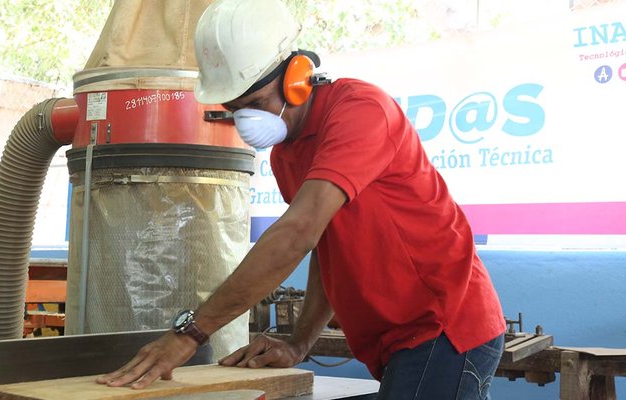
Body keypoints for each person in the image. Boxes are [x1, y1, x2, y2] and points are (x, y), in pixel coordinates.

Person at [98, 0, 506, 398]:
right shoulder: (287, 154)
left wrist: (190, 333)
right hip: (400, 339)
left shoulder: (360, 111)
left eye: (256, 104)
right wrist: (298, 343)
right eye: (235, 109)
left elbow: (298, 234)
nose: (247, 122)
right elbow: (331, 249)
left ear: (297, 78)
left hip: (444, 325)